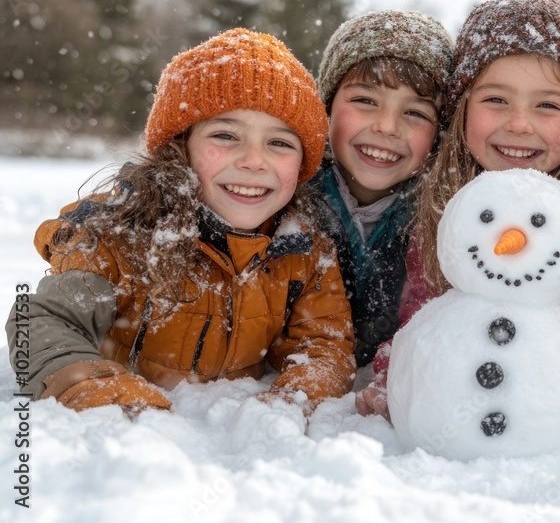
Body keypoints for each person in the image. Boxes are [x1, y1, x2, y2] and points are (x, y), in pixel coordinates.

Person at [5, 29, 356, 417]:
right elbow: (41, 322)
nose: (254, 161)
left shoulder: (306, 251)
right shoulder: (119, 234)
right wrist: (102, 394)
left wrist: (296, 398)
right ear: (179, 147)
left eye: (280, 143)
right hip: (131, 440)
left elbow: (325, 345)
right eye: (225, 135)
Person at [356, 0, 560, 417]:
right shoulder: (444, 207)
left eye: (547, 105)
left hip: (543, 402)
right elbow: (423, 318)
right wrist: (397, 373)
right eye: (496, 100)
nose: (520, 124)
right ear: (463, 108)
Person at [311, 10, 453, 388]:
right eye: (365, 100)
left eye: (415, 112)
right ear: (326, 107)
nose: (387, 127)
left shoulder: (446, 219)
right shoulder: (282, 197)